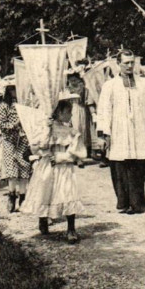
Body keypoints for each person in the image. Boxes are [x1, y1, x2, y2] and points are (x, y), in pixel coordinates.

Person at [97, 49, 145, 214]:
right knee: (121, 165)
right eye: (126, 63)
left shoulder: (144, 83)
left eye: (132, 62)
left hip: (139, 130)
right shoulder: (110, 85)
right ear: (118, 64)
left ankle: (138, 202)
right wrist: (104, 134)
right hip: (119, 131)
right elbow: (104, 110)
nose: (130, 66)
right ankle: (124, 202)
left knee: (138, 165)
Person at [23, 92, 87, 243]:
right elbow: (38, 147)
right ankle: (43, 219)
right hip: (47, 166)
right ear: (58, 112)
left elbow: (76, 152)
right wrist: (47, 129)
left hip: (64, 167)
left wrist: (60, 157)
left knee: (67, 194)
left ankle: (71, 228)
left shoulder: (71, 132)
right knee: (45, 191)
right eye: (68, 112)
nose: (71, 115)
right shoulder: (45, 129)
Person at [0, 82, 32, 212]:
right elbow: (2, 125)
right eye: (12, 89)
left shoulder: (23, 105)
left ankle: (23, 197)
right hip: (10, 140)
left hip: (23, 140)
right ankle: (11, 196)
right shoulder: (3, 106)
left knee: (24, 168)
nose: (15, 91)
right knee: (11, 170)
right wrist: (15, 124)